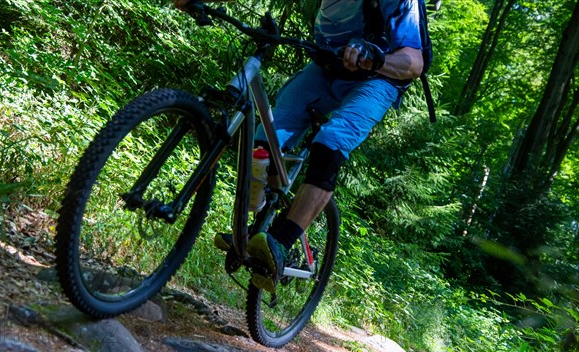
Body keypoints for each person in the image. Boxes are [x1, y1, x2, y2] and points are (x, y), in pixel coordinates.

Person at [174, 0, 423, 292]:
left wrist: (378, 58)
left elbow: (414, 62)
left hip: (377, 79)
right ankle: (255, 225)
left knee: (331, 142)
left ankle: (280, 242)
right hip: (327, 66)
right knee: (264, 138)